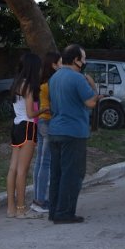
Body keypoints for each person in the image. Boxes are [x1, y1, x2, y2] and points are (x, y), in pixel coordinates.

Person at [48, 44, 101, 224]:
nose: (85, 62)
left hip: (55, 130)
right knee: (72, 174)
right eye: (83, 59)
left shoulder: (54, 77)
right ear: (76, 60)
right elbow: (91, 103)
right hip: (73, 132)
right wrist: (94, 88)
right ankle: (64, 213)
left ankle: (54, 210)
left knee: (57, 173)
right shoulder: (78, 78)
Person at [6, 53, 48, 218]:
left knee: (13, 169)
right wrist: (44, 110)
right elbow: (31, 113)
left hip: (16, 126)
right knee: (22, 171)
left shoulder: (17, 84)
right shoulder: (29, 87)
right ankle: (21, 209)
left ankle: (11, 208)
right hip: (28, 127)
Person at [31, 51, 62, 214]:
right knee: (45, 162)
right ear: (54, 65)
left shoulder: (44, 82)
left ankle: (39, 198)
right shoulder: (51, 83)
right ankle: (40, 200)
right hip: (48, 122)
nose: (63, 66)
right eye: (61, 63)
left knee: (41, 161)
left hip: (43, 122)